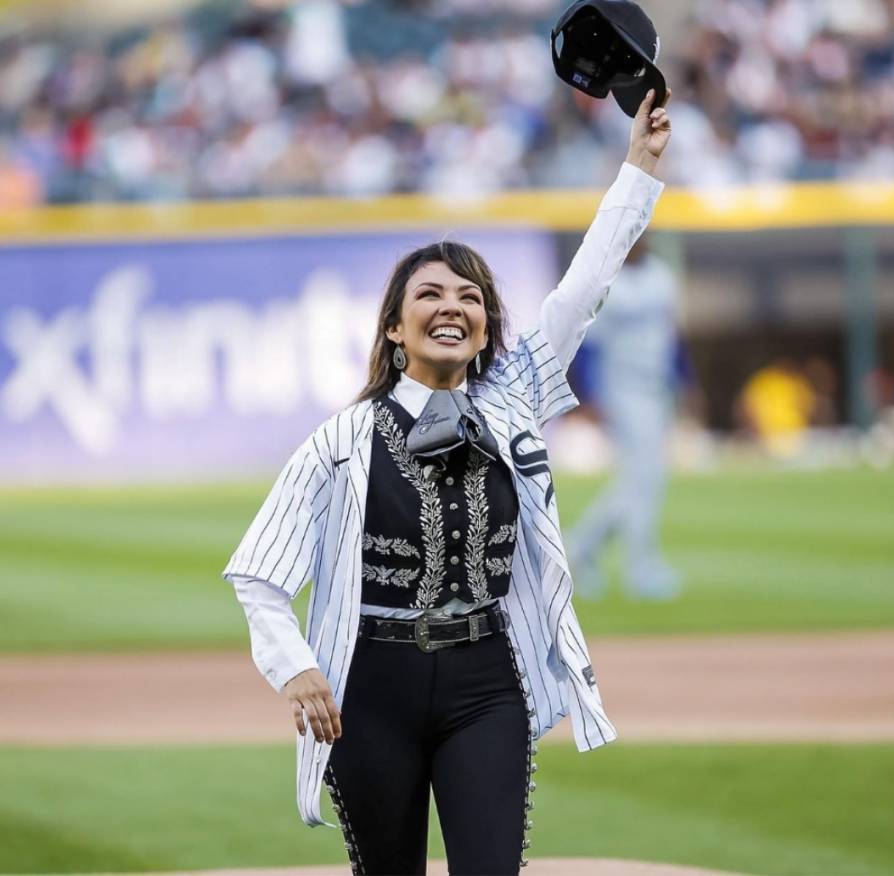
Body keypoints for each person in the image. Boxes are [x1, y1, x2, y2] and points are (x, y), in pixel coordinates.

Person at [223, 88, 671, 875]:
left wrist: (637, 166)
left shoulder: (515, 398)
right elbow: (260, 575)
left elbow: (585, 286)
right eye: (429, 294)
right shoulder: (343, 438)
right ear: (395, 328)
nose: (452, 306)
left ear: (487, 327)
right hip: (372, 688)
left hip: (486, 680)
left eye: (470, 297)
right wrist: (295, 666)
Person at [566, 234, 683, 600]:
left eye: (645, 239)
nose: (641, 245)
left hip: (656, 384)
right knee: (643, 478)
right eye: (635, 240)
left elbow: (673, 337)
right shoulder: (608, 284)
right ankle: (640, 567)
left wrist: (685, 382)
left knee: (643, 479)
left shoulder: (662, 277)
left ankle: (580, 547)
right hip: (622, 387)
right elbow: (589, 345)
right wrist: (589, 396)